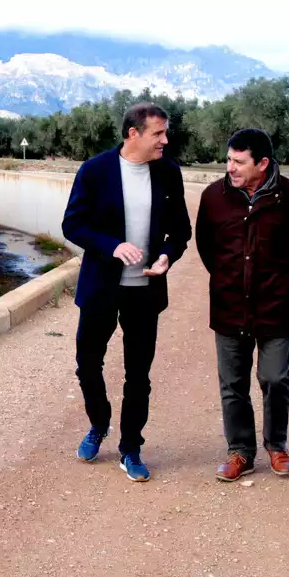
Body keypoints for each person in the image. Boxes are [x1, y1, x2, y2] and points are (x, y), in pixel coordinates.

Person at [61, 102, 192, 482]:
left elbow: (181, 231)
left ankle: (131, 448)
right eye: (158, 134)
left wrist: (168, 256)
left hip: (144, 292)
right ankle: (98, 424)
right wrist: (112, 245)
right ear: (133, 133)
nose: (165, 140)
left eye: (166, 133)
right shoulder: (95, 170)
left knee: (139, 375)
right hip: (101, 288)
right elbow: (73, 224)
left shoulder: (168, 172)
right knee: (88, 364)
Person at [195, 129, 289, 482]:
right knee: (232, 383)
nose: (229, 167)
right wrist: (226, 279)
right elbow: (207, 247)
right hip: (228, 305)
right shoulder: (214, 197)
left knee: (275, 377)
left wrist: (283, 286)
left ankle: (276, 445)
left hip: (276, 307)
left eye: (238, 161)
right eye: (228, 159)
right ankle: (240, 452)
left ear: (263, 163)